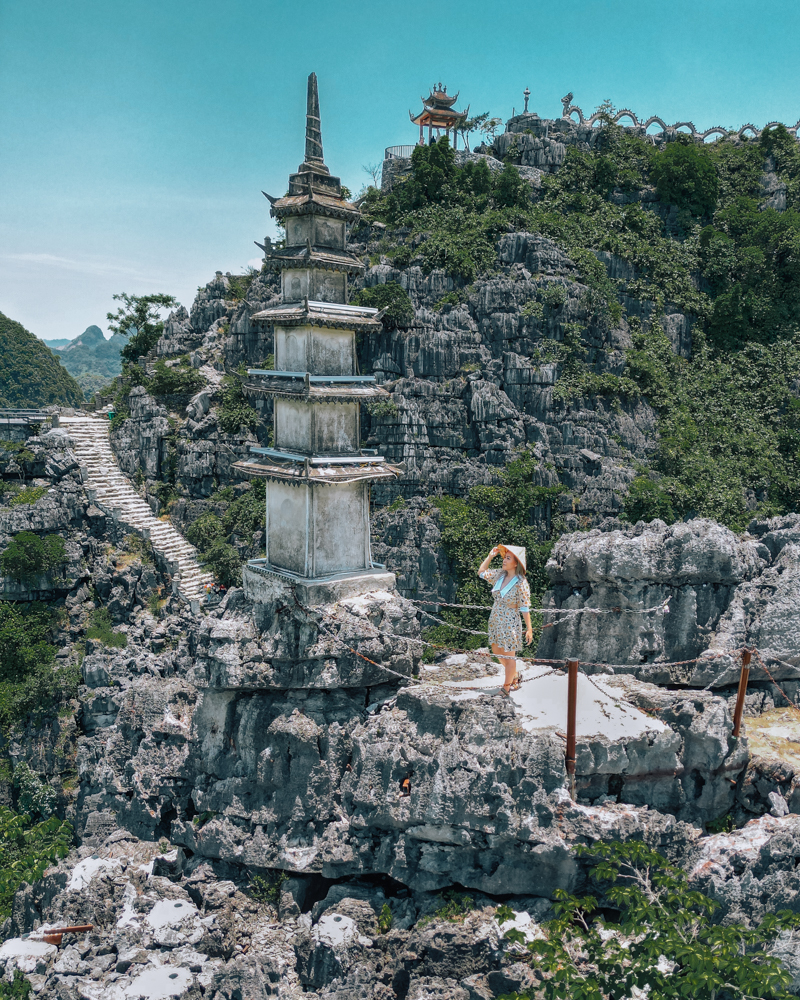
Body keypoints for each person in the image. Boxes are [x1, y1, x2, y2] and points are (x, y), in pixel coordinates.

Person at [477, 545, 533, 696]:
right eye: (504, 557)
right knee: (496, 651)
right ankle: (514, 675)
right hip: (495, 619)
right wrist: (490, 557)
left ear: (516, 563)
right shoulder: (499, 575)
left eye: (508, 558)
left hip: (509, 622)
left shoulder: (521, 582)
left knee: (509, 655)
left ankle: (506, 689)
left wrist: (529, 629)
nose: (504, 560)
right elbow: (481, 572)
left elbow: (525, 607)